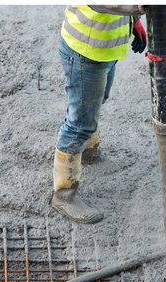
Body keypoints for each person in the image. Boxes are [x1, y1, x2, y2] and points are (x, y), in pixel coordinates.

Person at [54, 5, 147, 224]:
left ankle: (88, 151)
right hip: (85, 52)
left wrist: (134, 19)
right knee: (80, 124)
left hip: (104, 50)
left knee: (95, 103)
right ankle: (63, 195)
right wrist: (138, 8)